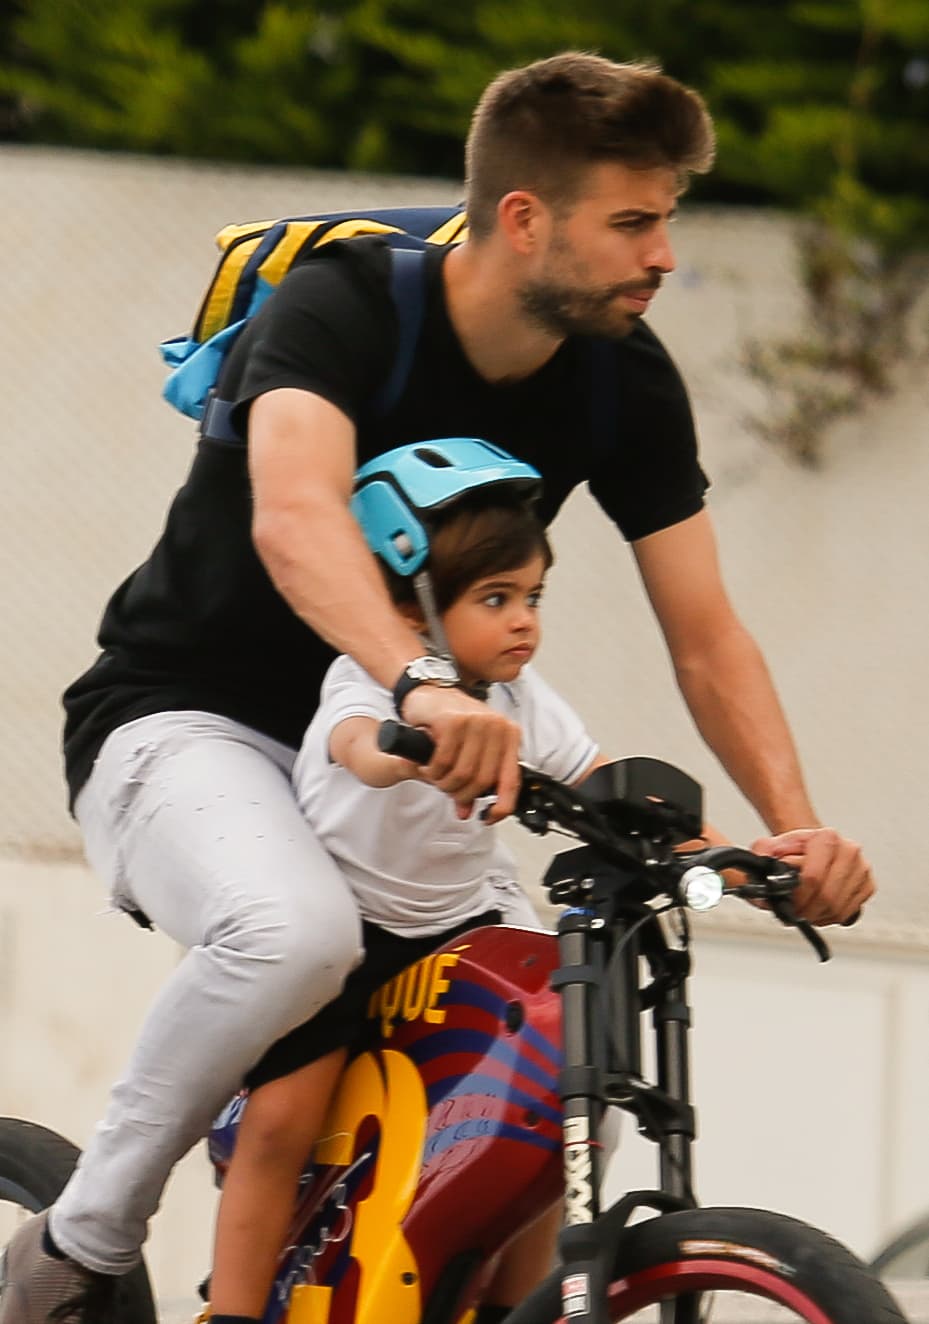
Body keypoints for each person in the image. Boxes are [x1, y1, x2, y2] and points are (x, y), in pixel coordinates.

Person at [0, 50, 873, 1324]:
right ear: (524, 217)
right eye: (633, 220)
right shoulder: (346, 308)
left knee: (550, 1040)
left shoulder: (620, 379)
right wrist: (413, 675)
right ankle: (75, 1249)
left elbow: (705, 635)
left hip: (421, 772)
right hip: (189, 722)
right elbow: (295, 520)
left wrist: (792, 826)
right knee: (292, 932)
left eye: (667, 218)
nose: (665, 255)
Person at [211, 438, 606, 1322]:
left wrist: (722, 848)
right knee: (284, 1118)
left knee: (549, 1098)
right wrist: (410, 755)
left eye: (533, 598)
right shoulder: (366, 679)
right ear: (411, 606)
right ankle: (231, 1312)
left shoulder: (522, 698)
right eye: (495, 599)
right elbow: (358, 746)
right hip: (350, 928)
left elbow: (595, 773)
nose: (524, 623)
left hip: (459, 926)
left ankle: (512, 1305)